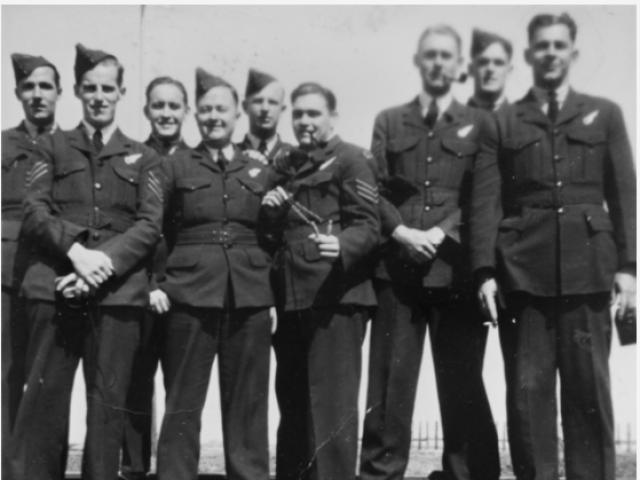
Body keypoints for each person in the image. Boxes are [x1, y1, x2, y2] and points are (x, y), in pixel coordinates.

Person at [470, 13, 636, 480]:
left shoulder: (604, 114)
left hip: (589, 272)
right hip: (522, 277)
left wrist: (629, 267)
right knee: (528, 398)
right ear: (528, 55)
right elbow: (486, 202)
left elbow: (623, 192)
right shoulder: (500, 122)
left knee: (588, 396)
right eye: (541, 46)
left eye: (559, 46)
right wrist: (484, 272)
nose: (550, 54)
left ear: (573, 54)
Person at [10, 43, 163, 480]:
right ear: (77, 91)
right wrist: (77, 254)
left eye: (107, 89)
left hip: (116, 296)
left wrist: (102, 267)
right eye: (90, 88)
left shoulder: (144, 156)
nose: (99, 97)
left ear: (120, 94)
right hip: (54, 288)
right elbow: (35, 212)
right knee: (44, 404)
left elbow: (149, 224)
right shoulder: (52, 147)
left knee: (107, 406)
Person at [359, 25, 500, 480]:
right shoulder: (389, 120)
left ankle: (468, 475)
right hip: (396, 274)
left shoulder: (480, 124)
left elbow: (481, 197)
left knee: (461, 383)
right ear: (420, 63)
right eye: (430, 56)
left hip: (455, 272)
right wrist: (400, 232)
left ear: (460, 67)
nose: (438, 63)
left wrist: (438, 234)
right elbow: (371, 189)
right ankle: (381, 473)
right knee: (387, 386)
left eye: (447, 56)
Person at [153, 68, 274, 480]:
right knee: (183, 402)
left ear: (238, 113)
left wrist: (270, 291)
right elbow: (156, 230)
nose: (213, 117)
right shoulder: (175, 166)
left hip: (249, 295)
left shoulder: (260, 168)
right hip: (189, 293)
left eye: (221, 109)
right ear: (195, 115)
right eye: (205, 110)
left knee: (248, 403)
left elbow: (272, 233)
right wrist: (158, 283)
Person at [262, 82, 379, 480]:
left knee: (331, 410)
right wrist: (271, 211)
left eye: (313, 113)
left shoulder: (352, 159)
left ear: (333, 117)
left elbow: (368, 223)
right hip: (291, 297)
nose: (305, 121)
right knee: (293, 406)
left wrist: (342, 244)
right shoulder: (286, 163)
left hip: (336, 296)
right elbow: (273, 232)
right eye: (298, 114)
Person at [120, 76, 191, 480]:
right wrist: (147, 285)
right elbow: (127, 229)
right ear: (147, 109)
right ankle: (134, 469)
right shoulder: (130, 157)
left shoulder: (199, 160)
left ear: (186, 111)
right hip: (139, 289)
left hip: (186, 292)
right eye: (158, 105)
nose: (166, 113)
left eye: (174, 106)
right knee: (135, 383)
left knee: (181, 388)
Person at [2, 52, 62, 474]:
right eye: (29, 87)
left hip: (53, 271)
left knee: (48, 374)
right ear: (18, 93)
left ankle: (43, 469)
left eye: (45, 86)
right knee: (6, 372)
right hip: (5, 271)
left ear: (60, 92)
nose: (37, 95)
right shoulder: (3, 143)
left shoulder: (71, 146)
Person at [238, 68, 292, 164]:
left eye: (272, 102)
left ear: (282, 110)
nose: (265, 108)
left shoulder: (294, 156)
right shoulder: (232, 154)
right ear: (245, 107)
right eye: (258, 101)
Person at [467, 28, 513, 112]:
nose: (490, 69)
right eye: (483, 62)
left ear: (509, 71)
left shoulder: (522, 121)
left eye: (498, 63)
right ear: (470, 69)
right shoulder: (453, 120)